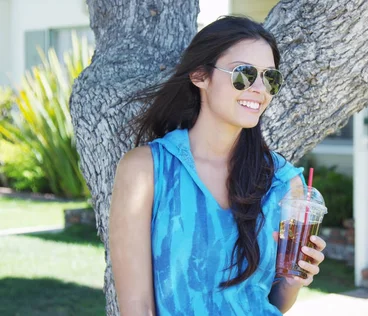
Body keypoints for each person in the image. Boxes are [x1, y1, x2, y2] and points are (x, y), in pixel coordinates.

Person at [108, 15, 327, 316]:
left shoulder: (283, 182)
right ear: (200, 75)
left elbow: (272, 303)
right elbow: (137, 308)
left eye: (270, 77)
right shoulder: (146, 170)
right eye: (244, 74)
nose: (259, 89)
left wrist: (292, 280)